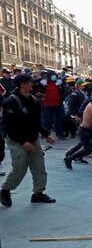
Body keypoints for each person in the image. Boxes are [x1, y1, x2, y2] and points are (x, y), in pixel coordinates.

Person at [0, 73, 56, 207]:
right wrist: (23, 142)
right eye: (31, 82)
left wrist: (46, 134)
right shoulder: (11, 102)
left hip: (33, 139)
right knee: (20, 167)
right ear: (23, 85)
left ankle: (38, 193)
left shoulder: (35, 101)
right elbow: (9, 127)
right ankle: (5, 190)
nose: (34, 85)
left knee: (39, 168)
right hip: (16, 140)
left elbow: (37, 122)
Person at [38, 71, 66, 140]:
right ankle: (46, 134)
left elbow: (63, 91)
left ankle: (60, 134)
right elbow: (39, 92)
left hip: (58, 104)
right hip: (47, 105)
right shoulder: (43, 84)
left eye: (54, 75)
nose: (54, 77)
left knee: (59, 120)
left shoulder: (59, 83)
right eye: (52, 75)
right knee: (47, 121)